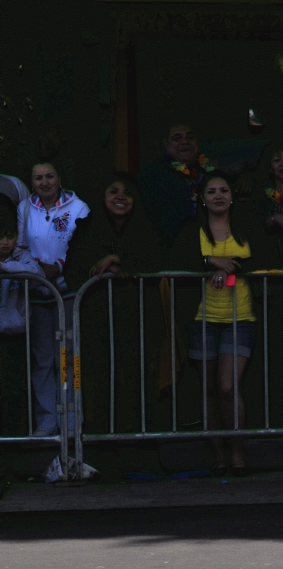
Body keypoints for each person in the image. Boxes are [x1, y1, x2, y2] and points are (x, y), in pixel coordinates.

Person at [168, 174, 275, 475]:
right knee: (209, 390)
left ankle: (237, 453)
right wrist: (209, 263)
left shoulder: (247, 227)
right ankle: (218, 456)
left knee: (228, 387)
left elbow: (265, 259)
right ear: (202, 198)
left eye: (224, 190)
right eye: (211, 191)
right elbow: (177, 260)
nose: (218, 195)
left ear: (231, 196)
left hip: (240, 316)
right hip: (201, 318)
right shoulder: (191, 231)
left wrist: (232, 266)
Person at [63, 174, 164, 434]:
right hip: (98, 320)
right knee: (100, 378)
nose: (120, 197)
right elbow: (74, 270)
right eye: (113, 191)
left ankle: (137, 439)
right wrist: (106, 261)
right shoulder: (86, 229)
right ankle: (101, 440)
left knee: (135, 376)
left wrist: (119, 261)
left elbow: (155, 264)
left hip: (135, 319)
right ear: (103, 196)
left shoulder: (147, 229)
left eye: (127, 193)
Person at [17, 162, 89, 437]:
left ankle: (71, 422)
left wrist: (59, 267)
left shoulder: (78, 207)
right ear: (32, 182)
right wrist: (35, 270)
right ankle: (47, 421)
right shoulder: (25, 208)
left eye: (49, 176)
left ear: (60, 178)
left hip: (67, 290)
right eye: (38, 178)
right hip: (37, 292)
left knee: (69, 358)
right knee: (43, 360)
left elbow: (80, 245)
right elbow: (21, 246)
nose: (44, 182)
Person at [140, 124, 214, 251]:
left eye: (190, 137)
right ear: (166, 144)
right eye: (177, 138)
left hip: (212, 252)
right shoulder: (152, 175)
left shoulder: (210, 174)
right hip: (170, 254)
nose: (185, 142)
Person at [0, 198, 38, 435]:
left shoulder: (21, 259)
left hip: (16, 334)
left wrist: (5, 269)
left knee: (14, 387)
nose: (5, 243)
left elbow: (36, 271)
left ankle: (15, 436)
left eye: (10, 235)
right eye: (0, 237)